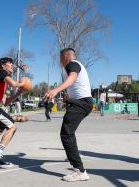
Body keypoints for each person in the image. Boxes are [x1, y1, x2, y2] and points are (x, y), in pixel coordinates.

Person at [45, 48, 93, 181]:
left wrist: (55, 90)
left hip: (81, 103)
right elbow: (75, 84)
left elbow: (73, 78)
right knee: (69, 133)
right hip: (79, 102)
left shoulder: (72, 64)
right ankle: (74, 155)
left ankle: (80, 171)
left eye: (60, 58)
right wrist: (68, 98)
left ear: (66, 56)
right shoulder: (73, 66)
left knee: (66, 133)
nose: (59, 61)